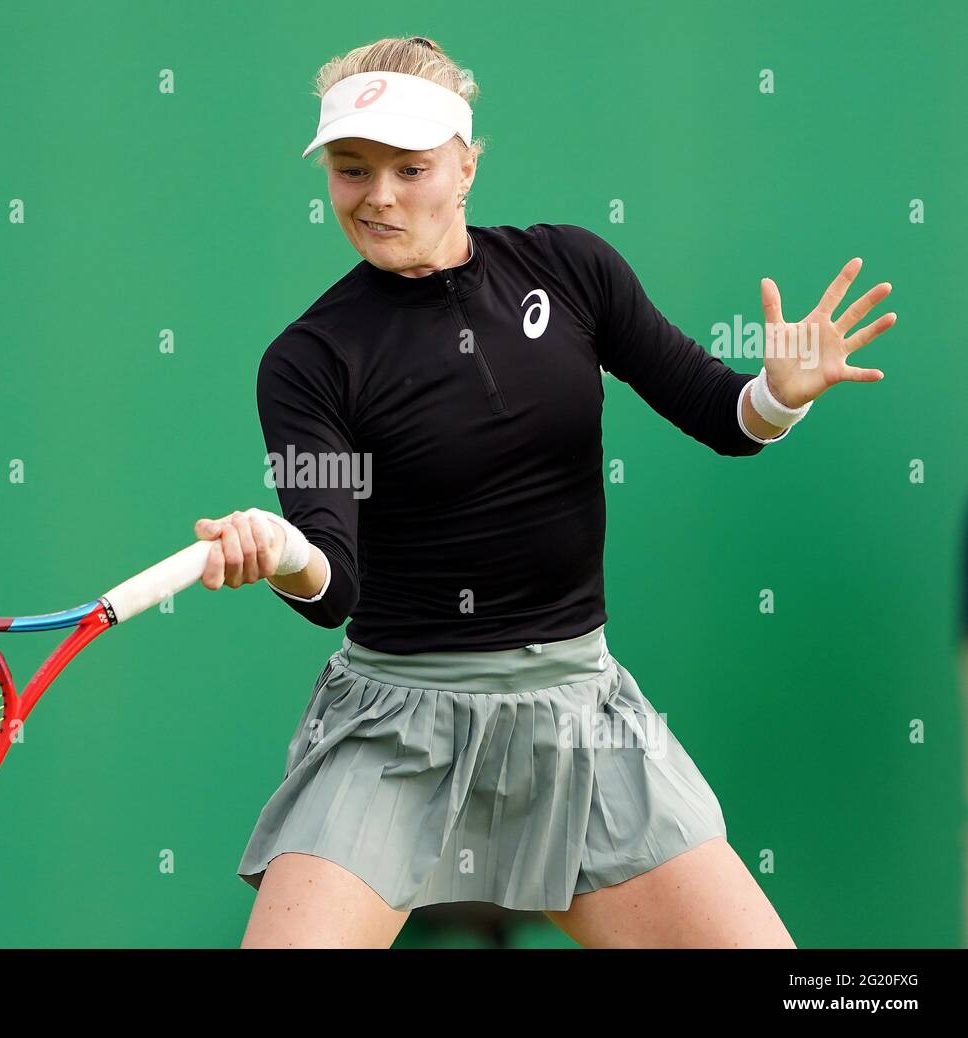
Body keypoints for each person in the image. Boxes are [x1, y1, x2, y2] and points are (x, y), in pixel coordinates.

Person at [194, 35, 897, 949]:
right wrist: (280, 551)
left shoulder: (571, 269)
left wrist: (777, 398)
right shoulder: (309, 359)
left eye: (411, 168)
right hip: (396, 733)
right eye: (352, 169)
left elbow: (723, 415)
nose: (379, 196)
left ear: (467, 165)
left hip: (581, 720)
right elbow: (332, 582)